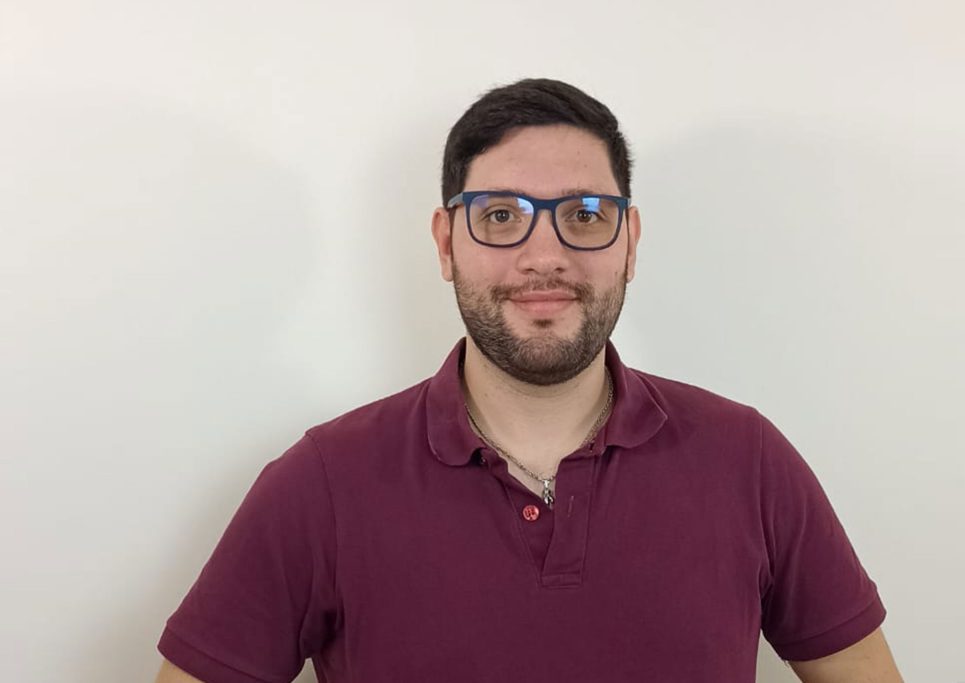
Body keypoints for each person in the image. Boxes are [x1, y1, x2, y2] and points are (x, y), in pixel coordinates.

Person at [154, 78, 903, 683]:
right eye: (501, 215)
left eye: (585, 214)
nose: (544, 255)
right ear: (446, 243)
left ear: (629, 243)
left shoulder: (748, 460)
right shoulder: (321, 484)